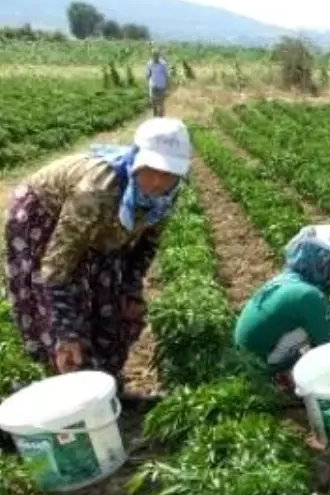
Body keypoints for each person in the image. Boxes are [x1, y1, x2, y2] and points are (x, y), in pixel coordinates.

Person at [4, 117, 192, 390]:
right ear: (136, 160)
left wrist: (131, 288)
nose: (157, 182)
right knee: (67, 311)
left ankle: (106, 382)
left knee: (114, 306)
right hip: (44, 214)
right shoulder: (95, 192)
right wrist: (66, 331)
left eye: (169, 174)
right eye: (150, 169)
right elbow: (57, 265)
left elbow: (146, 244)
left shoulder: (166, 196)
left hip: (103, 224)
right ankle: (70, 385)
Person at [234, 225, 330, 388]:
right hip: (261, 366)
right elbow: (329, 348)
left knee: (307, 332)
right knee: (312, 342)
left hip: (247, 356)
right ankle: (280, 376)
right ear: (328, 263)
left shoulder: (289, 279)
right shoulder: (310, 296)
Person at [146, 51, 170, 117]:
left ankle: (161, 117)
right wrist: (147, 79)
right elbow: (148, 74)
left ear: (158, 56)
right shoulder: (149, 63)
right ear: (152, 56)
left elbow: (167, 75)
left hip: (161, 85)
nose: (155, 57)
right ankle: (155, 115)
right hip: (153, 85)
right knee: (153, 101)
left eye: (156, 55)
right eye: (153, 55)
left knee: (161, 102)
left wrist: (168, 87)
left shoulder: (163, 64)